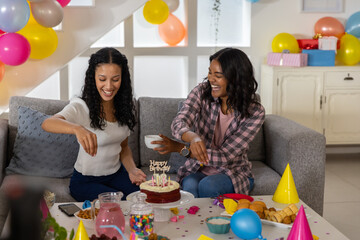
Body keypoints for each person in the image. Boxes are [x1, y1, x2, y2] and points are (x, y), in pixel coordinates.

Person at [152, 48, 265, 198]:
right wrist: (192, 137)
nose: (211, 79)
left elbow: (224, 156)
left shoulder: (255, 112)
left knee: (209, 185)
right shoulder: (201, 92)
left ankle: (216, 221)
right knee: (190, 185)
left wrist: (180, 148)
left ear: (236, 79)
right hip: (199, 168)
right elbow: (179, 121)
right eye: (210, 72)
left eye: (217, 75)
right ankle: (192, 222)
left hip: (233, 172)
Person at [42, 47, 146, 201]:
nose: (109, 86)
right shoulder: (81, 107)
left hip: (116, 175)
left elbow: (123, 147)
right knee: (118, 204)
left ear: (122, 79)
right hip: (85, 181)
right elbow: (47, 123)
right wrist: (77, 128)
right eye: (102, 79)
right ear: (93, 78)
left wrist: (131, 170)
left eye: (115, 79)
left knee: (145, 198)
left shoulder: (124, 107)